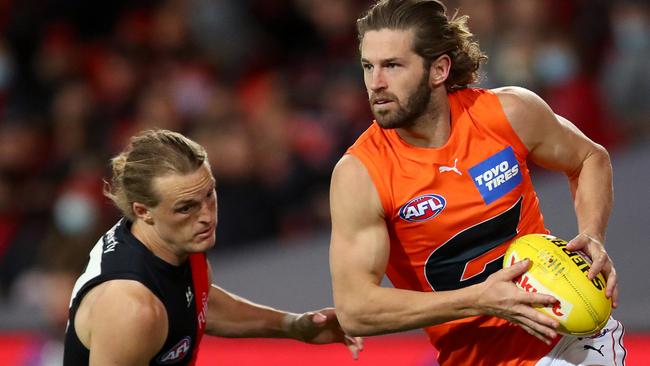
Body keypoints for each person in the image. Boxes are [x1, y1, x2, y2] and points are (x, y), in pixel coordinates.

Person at [328, 1, 625, 365]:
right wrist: (477, 299)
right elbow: (355, 307)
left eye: (392, 65)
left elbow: (589, 158)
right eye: (368, 66)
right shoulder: (361, 174)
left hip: (567, 344)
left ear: (438, 69)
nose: (376, 83)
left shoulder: (507, 113)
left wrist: (591, 234)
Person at [63, 129, 362, 365]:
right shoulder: (132, 309)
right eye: (186, 208)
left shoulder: (166, 241)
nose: (206, 216)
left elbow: (195, 302)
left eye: (209, 195)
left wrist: (293, 325)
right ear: (143, 211)